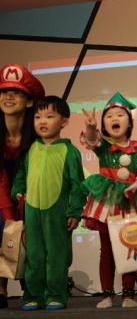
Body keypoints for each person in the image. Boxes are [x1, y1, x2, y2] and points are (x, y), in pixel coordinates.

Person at [81, 92, 137, 309]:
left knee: (130, 246)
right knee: (107, 251)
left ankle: (128, 295)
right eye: (109, 115)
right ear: (104, 124)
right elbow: (92, 140)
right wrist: (91, 127)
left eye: (120, 115)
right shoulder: (104, 146)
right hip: (108, 200)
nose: (115, 118)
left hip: (130, 201)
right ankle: (107, 295)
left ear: (130, 122)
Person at [11, 96, 86, 311]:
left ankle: (55, 294)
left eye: (49, 116)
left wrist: (74, 211)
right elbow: (22, 173)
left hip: (57, 212)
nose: (42, 121)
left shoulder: (70, 151)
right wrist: (18, 190)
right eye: (37, 117)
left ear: (64, 122)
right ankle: (33, 295)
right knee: (33, 255)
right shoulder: (30, 149)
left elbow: (78, 185)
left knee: (56, 255)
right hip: (32, 211)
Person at [0, 63, 44, 308]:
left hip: (29, 195)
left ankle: (33, 286)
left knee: (32, 232)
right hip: (1, 196)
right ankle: (1, 289)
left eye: (15, 92)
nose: (8, 97)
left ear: (29, 102)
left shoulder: (38, 135)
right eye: (4, 91)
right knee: (3, 229)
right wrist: (9, 217)